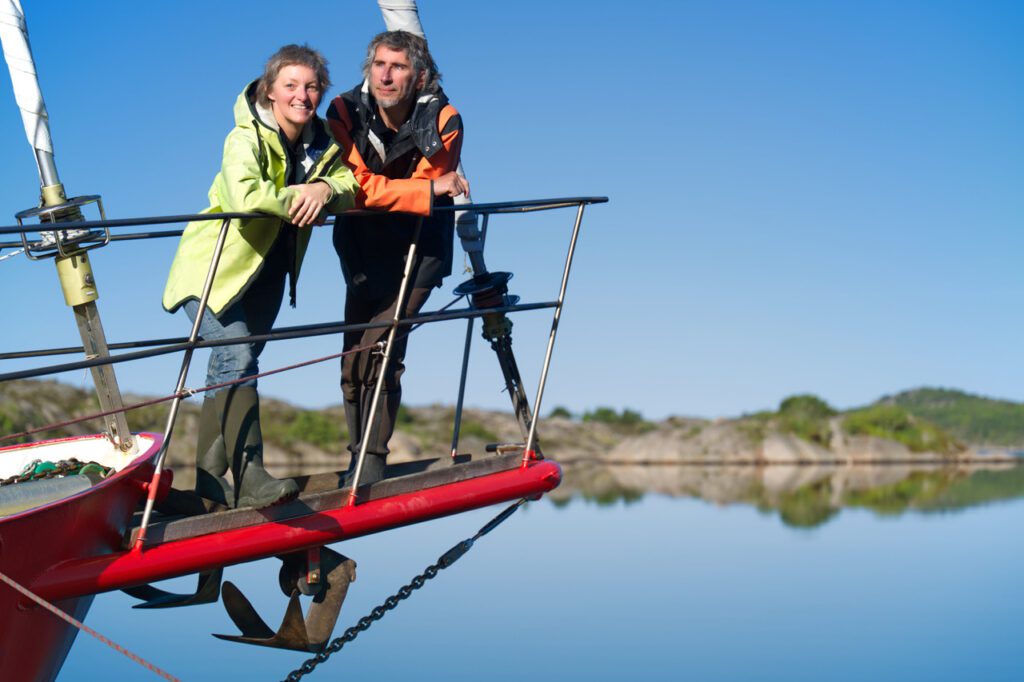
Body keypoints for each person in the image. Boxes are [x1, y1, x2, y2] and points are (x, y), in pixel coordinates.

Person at [163, 45, 359, 509]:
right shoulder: (244, 137)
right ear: (270, 91)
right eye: (291, 85)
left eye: (312, 86)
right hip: (213, 271)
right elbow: (246, 195)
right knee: (236, 359)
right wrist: (304, 197)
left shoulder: (323, 143)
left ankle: (209, 486)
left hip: (268, 273)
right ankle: (251, 477)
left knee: (230, 367)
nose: (302, 95)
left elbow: (350, 187)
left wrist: (324, 187)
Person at [326, 30, 468, 485]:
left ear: (419, 77)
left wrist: (413, 192)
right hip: (361, 246)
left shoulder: (445, 120)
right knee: (352, 359)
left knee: (383, 348)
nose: (385, 76)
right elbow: (356, 188)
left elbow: (415, 197)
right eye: (379, 65)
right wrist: (420, 191)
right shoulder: (343, 111)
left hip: (420, 247)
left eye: (398, 67)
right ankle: (356, 456)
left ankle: (371, 460)